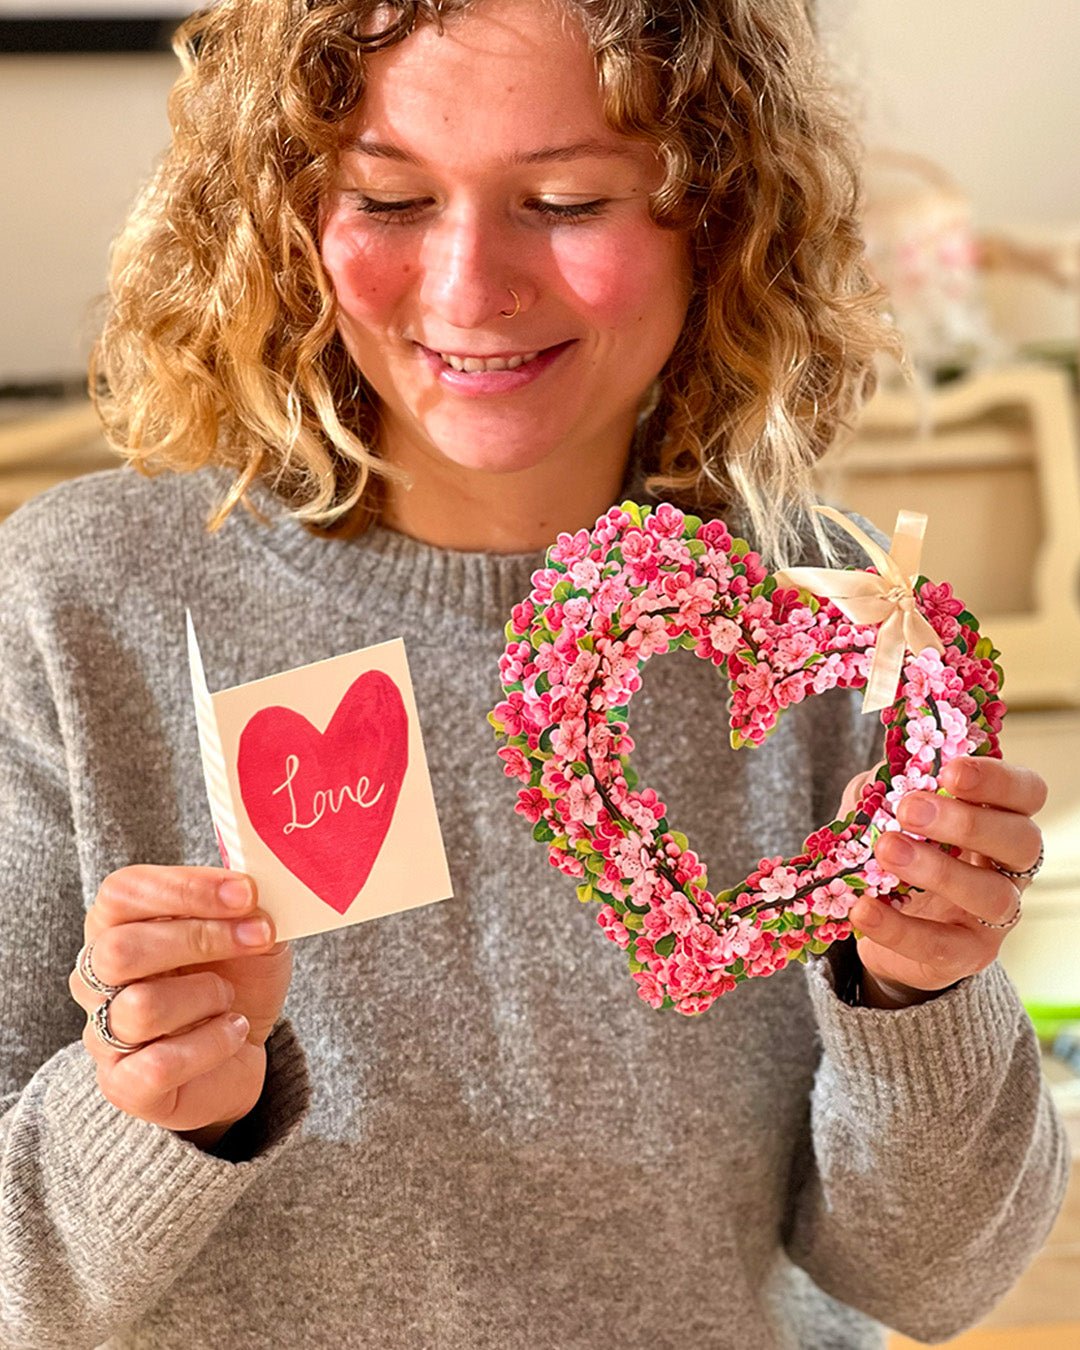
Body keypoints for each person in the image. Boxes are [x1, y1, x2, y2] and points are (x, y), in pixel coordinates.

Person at [0, 1, 1067, 1346]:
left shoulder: (838, 628)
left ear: (716, 216)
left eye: (565, 200)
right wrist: (147, 1110)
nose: (467, 290)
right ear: (282, 211)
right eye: (388, 198)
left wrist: (916, 997)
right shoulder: (72, 611)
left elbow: (932, 1279)